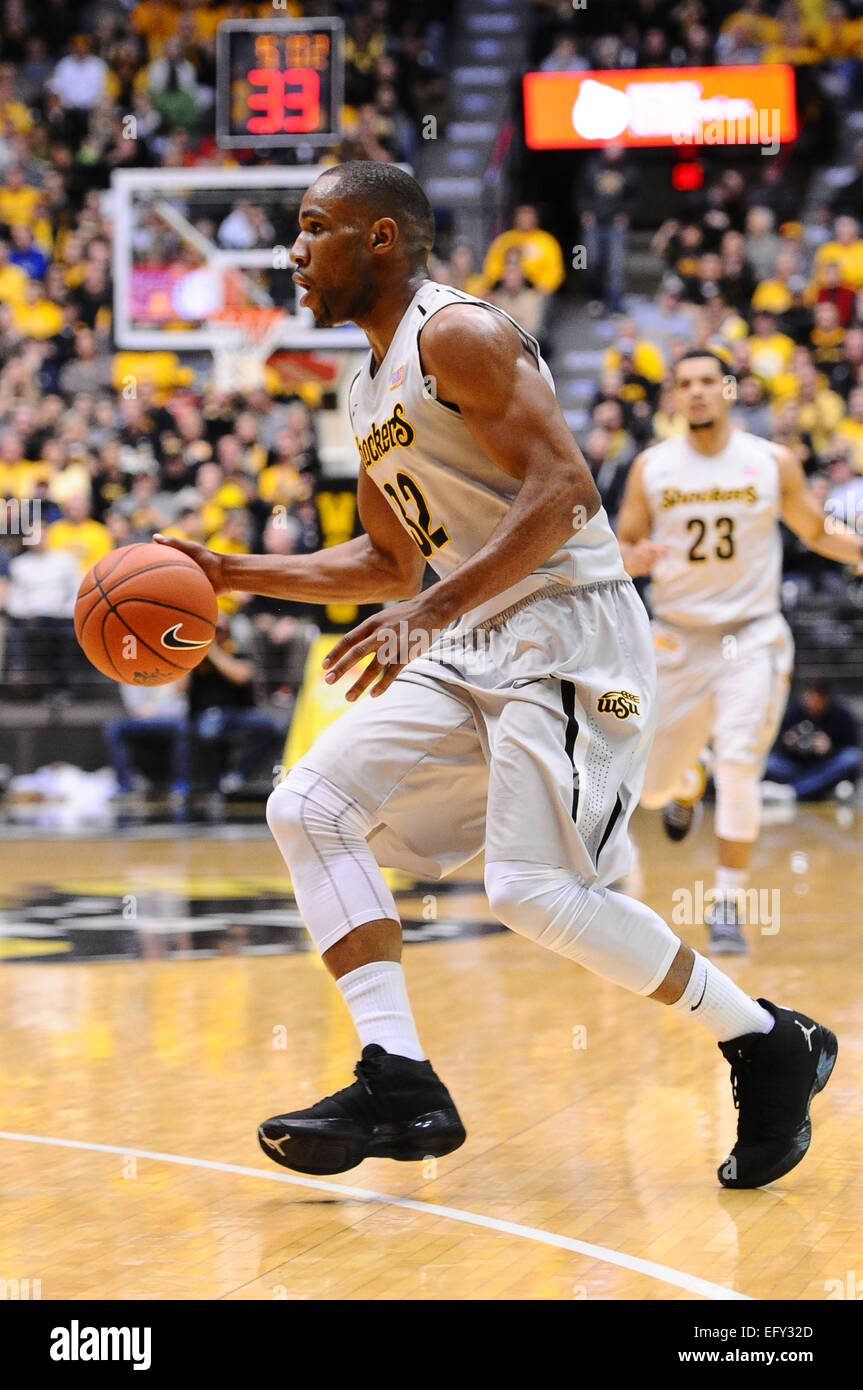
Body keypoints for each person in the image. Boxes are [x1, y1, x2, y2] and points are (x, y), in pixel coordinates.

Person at [157, 162, 837, 1191]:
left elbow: (564, 493)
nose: (292, 252)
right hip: (476, 632)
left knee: (528, 890)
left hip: (569, 632)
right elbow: (386, 561)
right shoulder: (362, 384)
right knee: (308, 804)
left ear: (380, 238)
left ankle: (762, 1041)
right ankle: (398, 1080)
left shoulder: (456, 335)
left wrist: (429, 607)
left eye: (311, 228)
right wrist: (226, 571)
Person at [616, 350, 863, 954]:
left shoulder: (770, 461)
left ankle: (727, 904)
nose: (697, 392)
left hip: (751, 636)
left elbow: (813, 528)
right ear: (673, 395)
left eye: (708, 382)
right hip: (677, 638)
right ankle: (685, 781)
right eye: (685, 384)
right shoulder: (652, 467)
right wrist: (633, 559)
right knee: (648, 789)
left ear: (729, 390)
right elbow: (622, 543)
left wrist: (860, 549)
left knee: (740, 764)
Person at [763, 680, 861, 802]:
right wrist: (788, 744)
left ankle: (793, 792)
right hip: (795, 767)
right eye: (810, 699)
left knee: (851, 757)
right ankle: (821, 789)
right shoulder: (793, 712)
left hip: (824, 767)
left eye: (818, 701)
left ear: (826, 699)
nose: (813, 704)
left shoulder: (841, 715)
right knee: (766, 760)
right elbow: (776, 747)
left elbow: (850, 747)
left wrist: (830, 748)